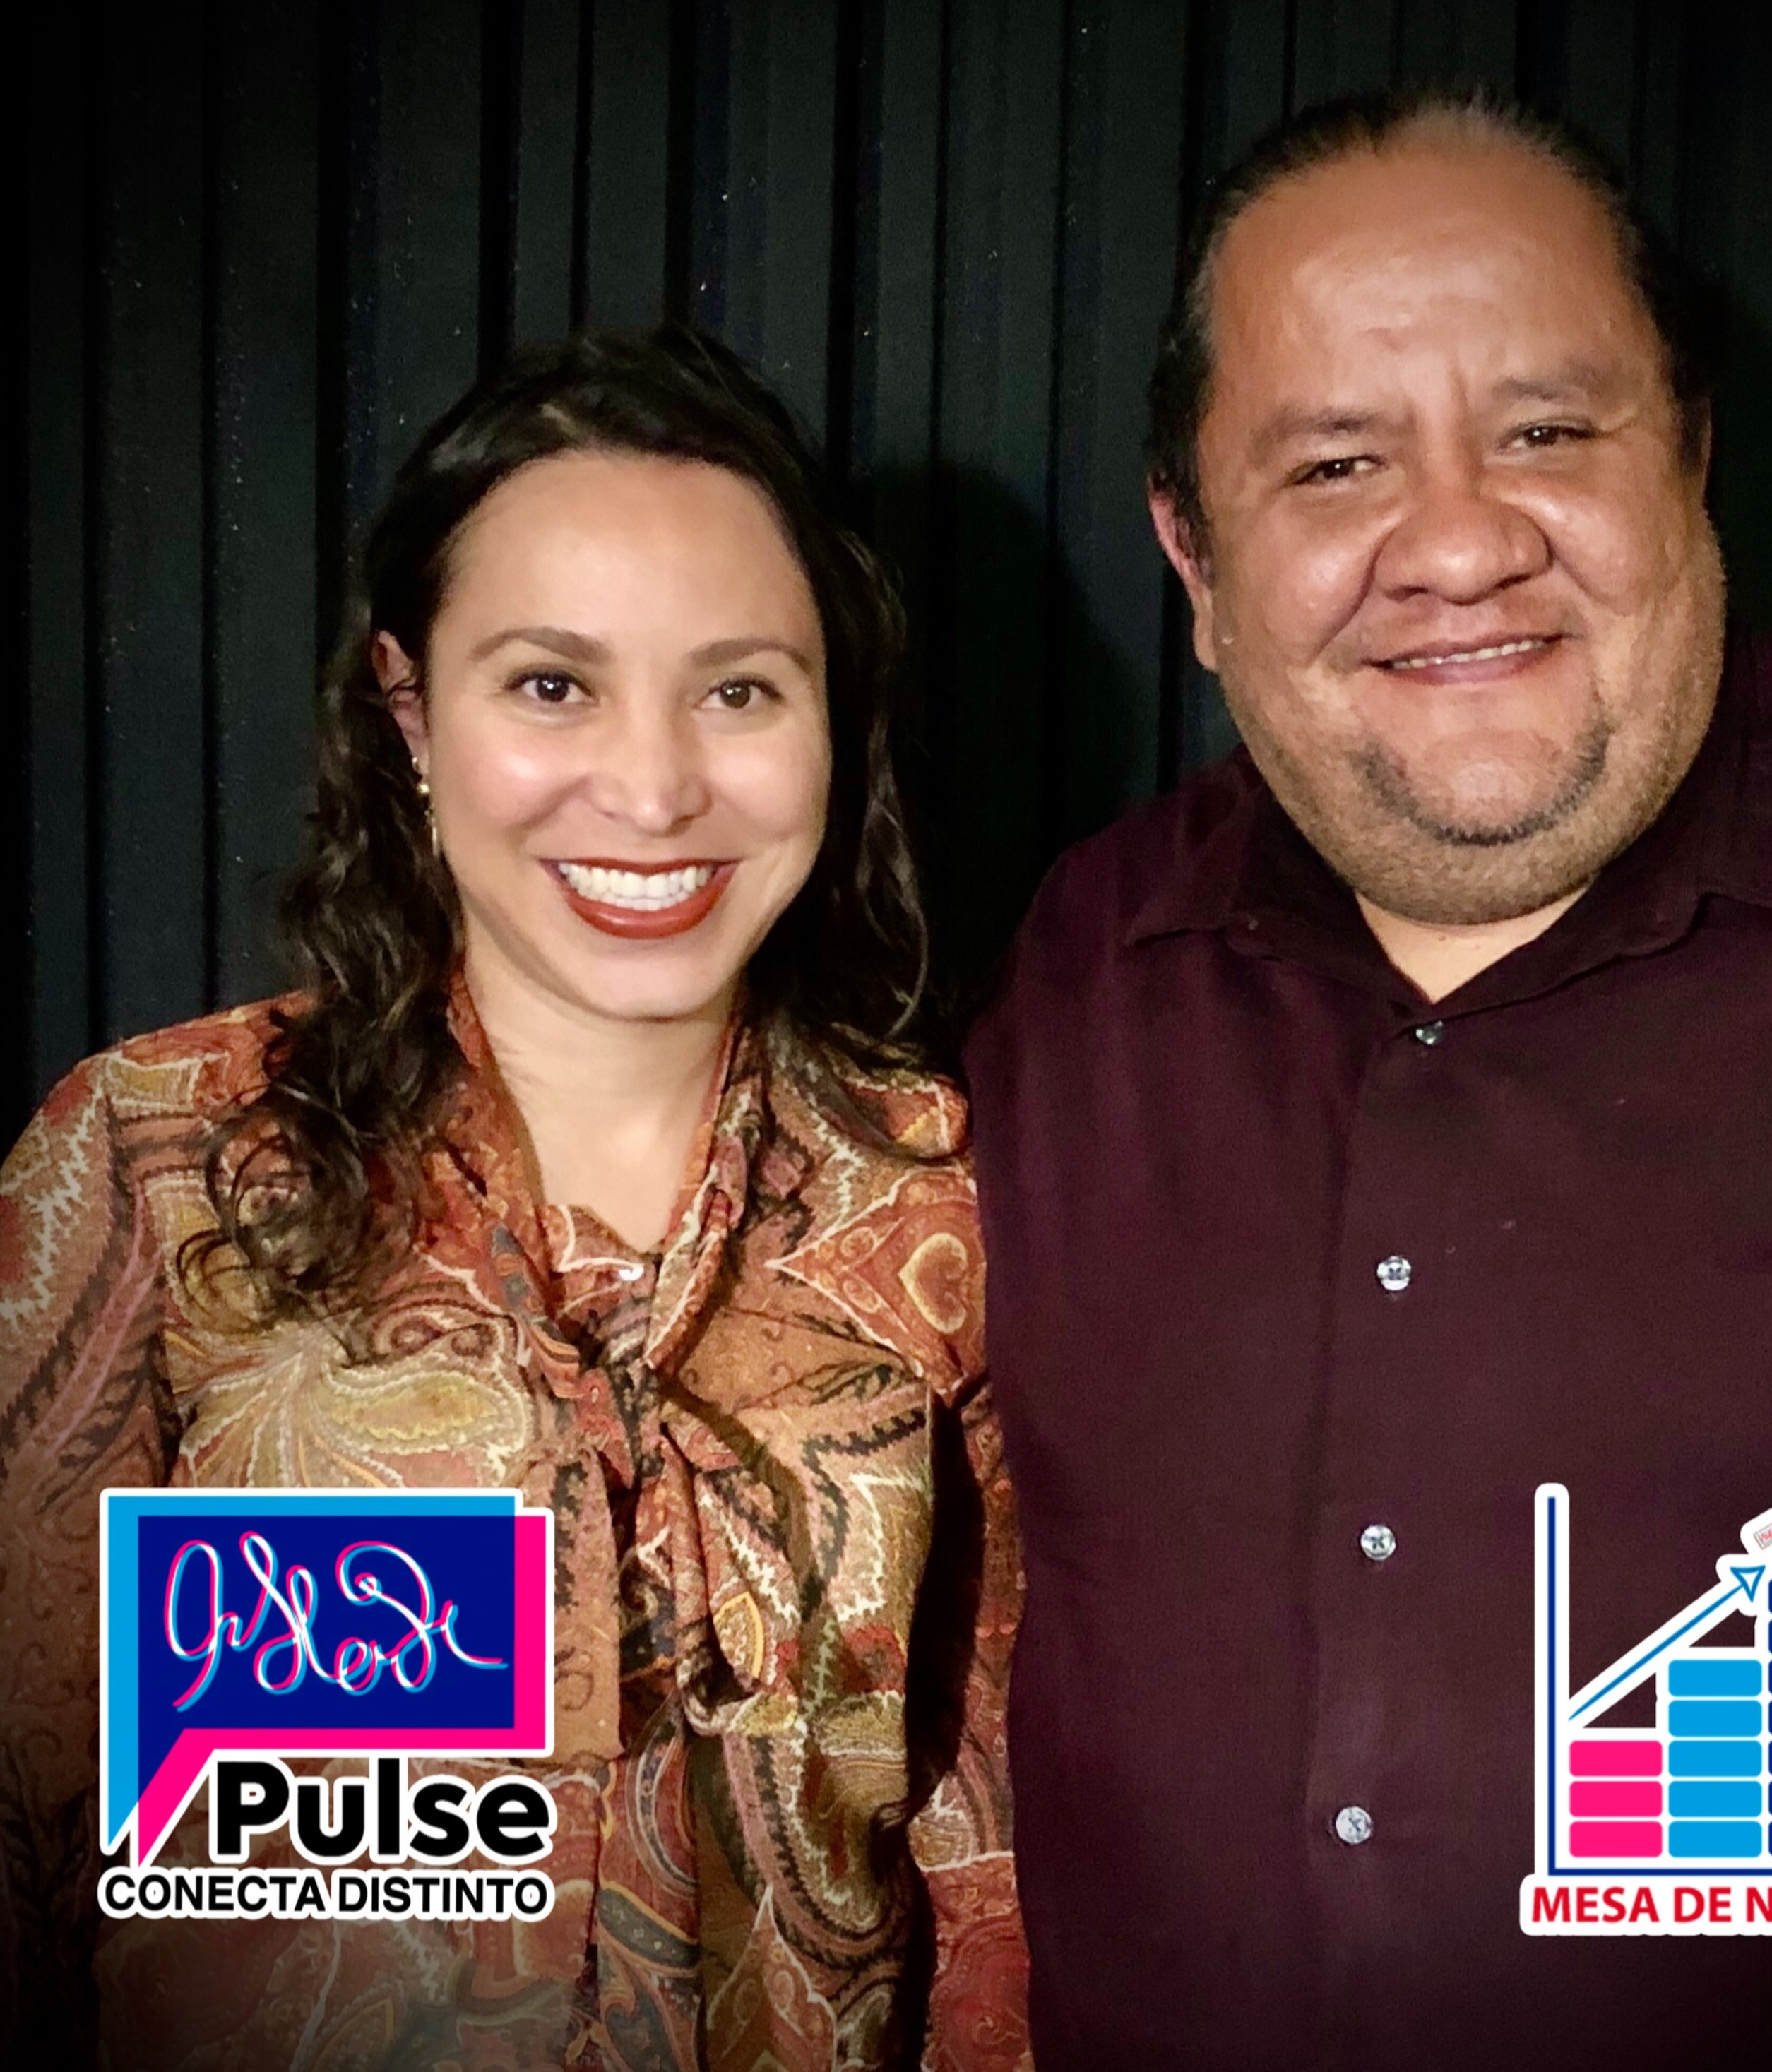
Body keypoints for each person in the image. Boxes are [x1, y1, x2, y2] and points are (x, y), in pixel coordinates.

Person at [965, 90, 1772, 2065]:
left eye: (1549, 434)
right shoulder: (1072, 970)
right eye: (1337, 463)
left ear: (1693, 461)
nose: (1460, 542)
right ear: (1194, 555)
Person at [0, 329, 1028, 2071]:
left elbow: (990, 1872)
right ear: (410, 710)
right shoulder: (159, 1162)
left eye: (740, 691)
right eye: (553, 684)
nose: (654, 788)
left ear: (834, 727)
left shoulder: (960, 1204)